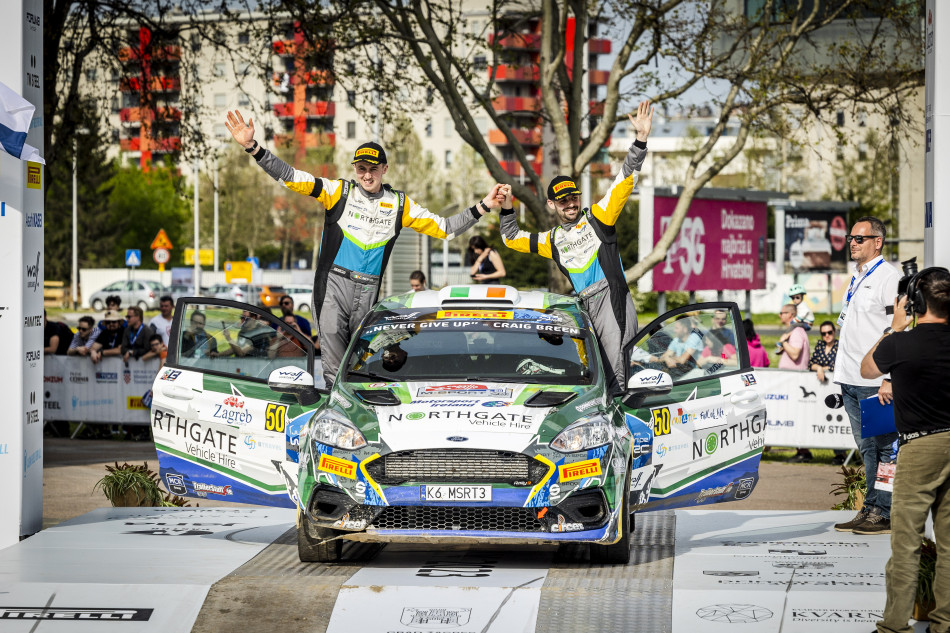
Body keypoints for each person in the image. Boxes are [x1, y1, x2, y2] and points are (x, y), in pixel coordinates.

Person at [225, 109, 503, 386]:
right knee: (334, 370)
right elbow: (292, 177)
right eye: (361, 169)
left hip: (369, 290)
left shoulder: (400, 204)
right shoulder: (338, 191)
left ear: (385, 169)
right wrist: (253, 147)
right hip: (334, 286)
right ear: (354, 169)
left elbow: (444, 228)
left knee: (361, 364)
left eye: (372, 169)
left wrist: (484, 206)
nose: (367, 175)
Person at [499, 99, 654, 393]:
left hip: (612, 301)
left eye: (573, 197)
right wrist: (507, 208)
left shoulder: (599, 216)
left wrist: (641, 140)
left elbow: (625, 178)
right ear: (552, 204)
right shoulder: (552, 240)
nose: (570, 204)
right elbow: (511, 239)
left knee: (618, 373)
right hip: (582, 305)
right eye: (563, 201)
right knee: (590, 377)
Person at [860, 268, 950, 632]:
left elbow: (866, 368)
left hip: (920, 447)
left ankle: (895, 625)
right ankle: (944, 623)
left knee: (906, 543)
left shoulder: (901, 342)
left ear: (914, 302)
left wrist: (895, 327)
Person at [832, 216, 900, 535]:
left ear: (878, 241)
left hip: (875, 382)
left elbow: (898, 329)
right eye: (851, 238)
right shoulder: (858, 275)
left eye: (860, 238)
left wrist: (889, 376)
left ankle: (884, 512)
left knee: (885, 449)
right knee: (867, 448)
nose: (853, 243)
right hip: (850, 379)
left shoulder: (888, 277)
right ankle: (871, 506)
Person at [809, 320, 847, 465]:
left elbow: (837, 365)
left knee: (838, 420)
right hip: (822, 390)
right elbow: (811, 363)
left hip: (837, 388)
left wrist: (820, 367)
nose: (827, 335)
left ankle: (841, 453)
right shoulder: (820, 345)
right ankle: (838, 452)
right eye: (823, 333)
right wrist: (819, 368)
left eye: (829, 332)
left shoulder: (840, 345)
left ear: (834, 332)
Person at [777, 304, 810, 370]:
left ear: (790, 314)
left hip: (793, 377)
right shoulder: (795, 331)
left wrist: (783, 342)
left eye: (781, 313)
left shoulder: (796, 331)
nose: (779, 315)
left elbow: (795, 355)